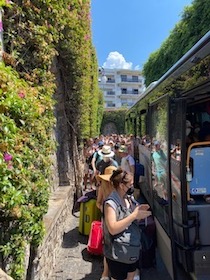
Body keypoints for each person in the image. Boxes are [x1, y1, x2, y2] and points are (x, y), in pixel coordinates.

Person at [103, 168, 151, 280]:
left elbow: (130, 222)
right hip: (118, 254)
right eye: (131, 184)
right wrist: (134, 215)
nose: (132, 187)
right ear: (121, 185)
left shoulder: (129, 198)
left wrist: (139, 212)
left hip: (132, 249)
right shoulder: (111, 204)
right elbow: (113, 228)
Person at [96, 166, 117, 280]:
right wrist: (102, 208)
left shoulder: (119, 187)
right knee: (108, 245)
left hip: (118, 218)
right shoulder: (102, 188)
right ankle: (105, 273)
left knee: (117, 243)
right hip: (106, 218)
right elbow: (98, 203)